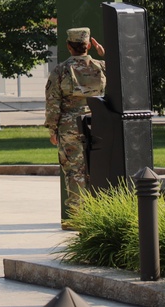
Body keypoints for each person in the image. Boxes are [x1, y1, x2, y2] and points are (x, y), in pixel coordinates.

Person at [44, 27, 106, 218]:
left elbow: (53, 101)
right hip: (99, 125)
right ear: (88, 45)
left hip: (70, 127)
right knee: (101, 169)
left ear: (69, 46)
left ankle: (77, 216)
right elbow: (125, 73)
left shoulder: (61, 70)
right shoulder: (102, 67)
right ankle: (100, 214)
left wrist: (52, 129)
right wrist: (104, 55)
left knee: (74, 170)